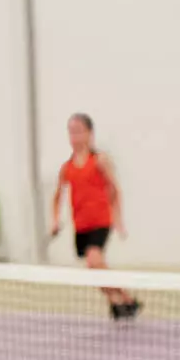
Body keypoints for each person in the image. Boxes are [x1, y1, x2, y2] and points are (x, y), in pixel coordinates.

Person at [47, 113, 137, 320]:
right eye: (71, 132)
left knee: (94, 260)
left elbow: (114, 189)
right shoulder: (66, 168)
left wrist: (118, 219)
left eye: (79, 131)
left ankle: (126, 298)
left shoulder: (100, 160)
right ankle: (117, 303)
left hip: (100, 221)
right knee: (93, 267)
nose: (75, 137)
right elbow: (57, 196)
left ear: (89, 133)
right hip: (81, 225)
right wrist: (54, 220)